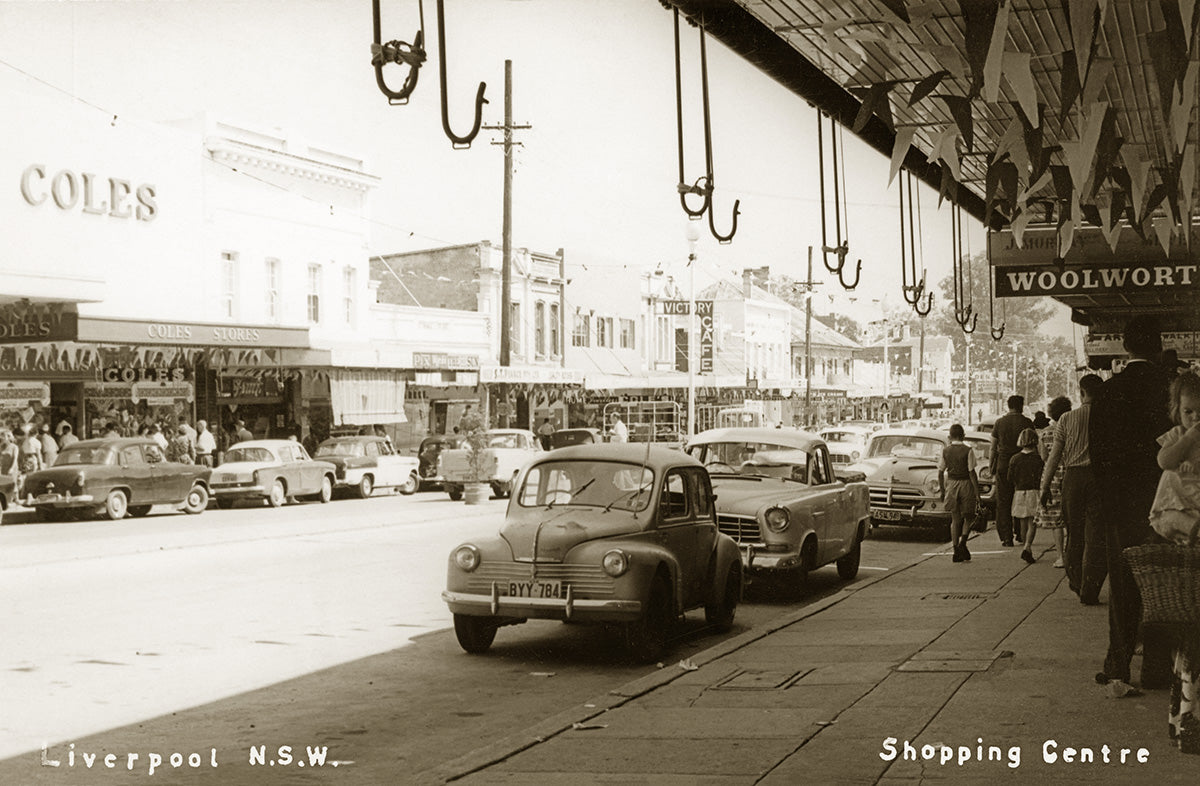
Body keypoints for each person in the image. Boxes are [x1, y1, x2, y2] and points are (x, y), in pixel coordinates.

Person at [1090, 314, 1174, 693]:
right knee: (1162, 584)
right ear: (1157, 347)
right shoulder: (1172, 389)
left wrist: (1106, 505)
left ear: (1125, 346)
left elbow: (1098, 456)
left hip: (1120, 506)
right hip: (1166, 504)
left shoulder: (1107, 392)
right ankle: (1156, 668)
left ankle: (1118, 664)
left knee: (1124, 584)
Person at [1149, 371, 1200, 752]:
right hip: (1186, 546)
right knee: (1190, 647)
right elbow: (1165, 460)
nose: (1194, 418)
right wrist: (1191, 437)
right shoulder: (1176, 440)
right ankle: (1186, 722)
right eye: (1187, 412)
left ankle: (1185, 720)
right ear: (1177, 412)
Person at [991, 395, 1035, 547]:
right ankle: (1020, 533)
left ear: (1008, 406)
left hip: (1003, 464)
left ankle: (1006, 537)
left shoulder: (999, 422)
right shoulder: (1027, 422)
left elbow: (993, 446)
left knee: (1003, 501)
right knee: (1020, 497)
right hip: (1023, 465)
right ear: (1021, 406)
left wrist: (992, 465)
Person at [1035, 396, 1071, 568]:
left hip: (1053, 477)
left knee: (1057, 519)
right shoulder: (1071, 428)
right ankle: (1072, 551)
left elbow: (1044, 457)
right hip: (1070, 473)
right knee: (1072, 517)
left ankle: (1061, 556)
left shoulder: (1046, 433)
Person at [938, 423, 978, 563]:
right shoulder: (968, 450)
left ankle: (955, 550)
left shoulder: (945, 451)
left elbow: (940, 471)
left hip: (951, 484)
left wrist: (943, 490)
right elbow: (972, 472)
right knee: (969, 516)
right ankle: (963, 543)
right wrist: (977, 494)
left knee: (955, 519)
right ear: (963, 436)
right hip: (966, 484)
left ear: (950, 437)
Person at [1009, 427, 1044, 564]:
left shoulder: (1014, 459)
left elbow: (1010, 477)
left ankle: (1025, 546)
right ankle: (1027, 546)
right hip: (1033, 492)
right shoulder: (1037, 459)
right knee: (1032, 523)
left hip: (1019, 492)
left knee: (1022, 522)